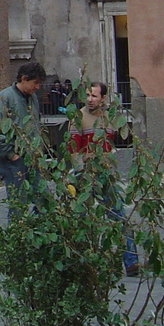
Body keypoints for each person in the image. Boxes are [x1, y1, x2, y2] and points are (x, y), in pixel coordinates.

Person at [68, 81, 140, 276]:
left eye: (94, 96)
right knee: (80, 220)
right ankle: (78, 264)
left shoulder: (109, 118)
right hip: (84, 175)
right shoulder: (78, 118)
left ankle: (131, 261)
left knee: (119, 217)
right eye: (88, 95)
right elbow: (73, 149)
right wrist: (81, 172)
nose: (90, 99)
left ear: (103, 98)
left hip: (105, 175)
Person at [0, 61, 46, 218]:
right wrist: (11, 155)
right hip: (13, 161)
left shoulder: (32, 99)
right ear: (24, 79)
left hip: (32, 159)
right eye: (35, 82)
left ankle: (39, 236)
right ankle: (19, 238)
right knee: (18, 203)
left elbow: (35, 126)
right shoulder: (4, 98)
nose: (38, 87)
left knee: (43, 199)